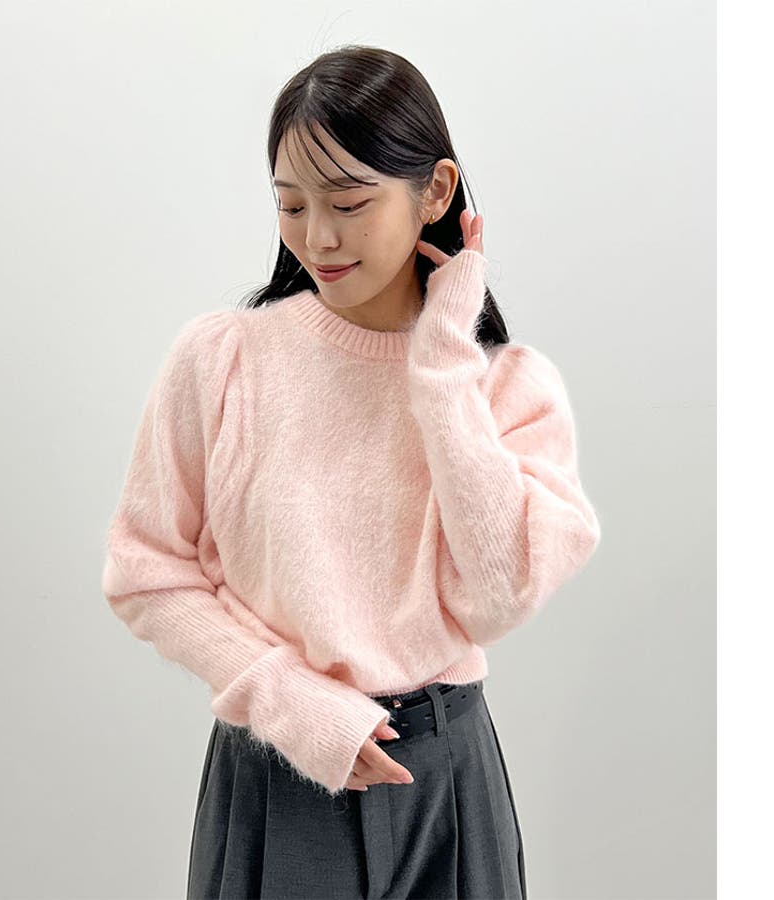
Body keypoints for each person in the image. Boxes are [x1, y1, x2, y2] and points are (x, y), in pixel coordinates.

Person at [101, 44, 602, 900]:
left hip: (448, 782)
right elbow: (145, 571)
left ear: (435, 192)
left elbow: (498, 596)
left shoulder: (507, 388)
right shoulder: (224, 360)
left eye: (349, 202)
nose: (318, 238)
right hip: (280, 779)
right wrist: (293, 706)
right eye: (292, 205)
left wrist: (441, 362)